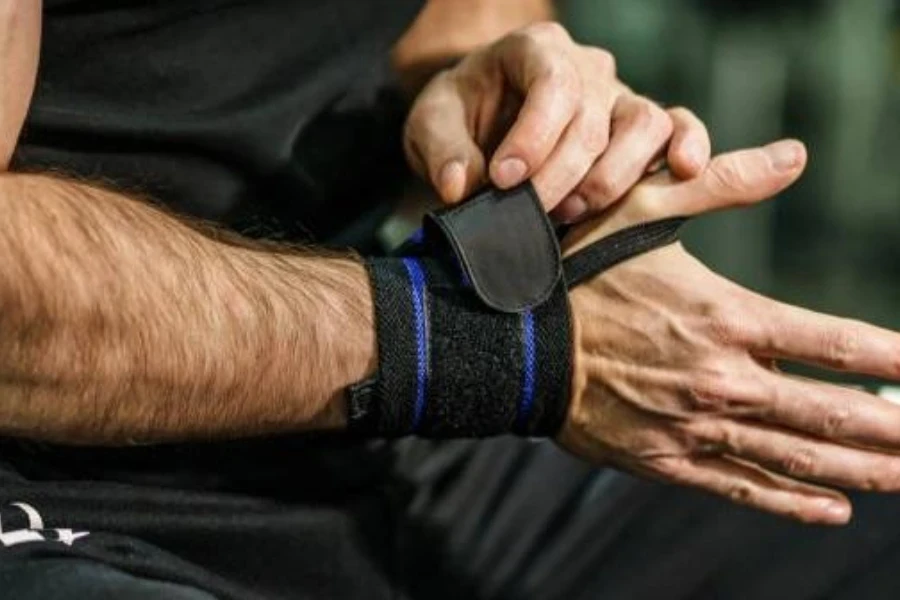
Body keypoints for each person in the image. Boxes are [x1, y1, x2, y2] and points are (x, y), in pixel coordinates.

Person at [1, 1, 900, 598]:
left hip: (375, 428)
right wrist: (495, 347)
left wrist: (519, 116)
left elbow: (467, 19)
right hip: (60, 472)